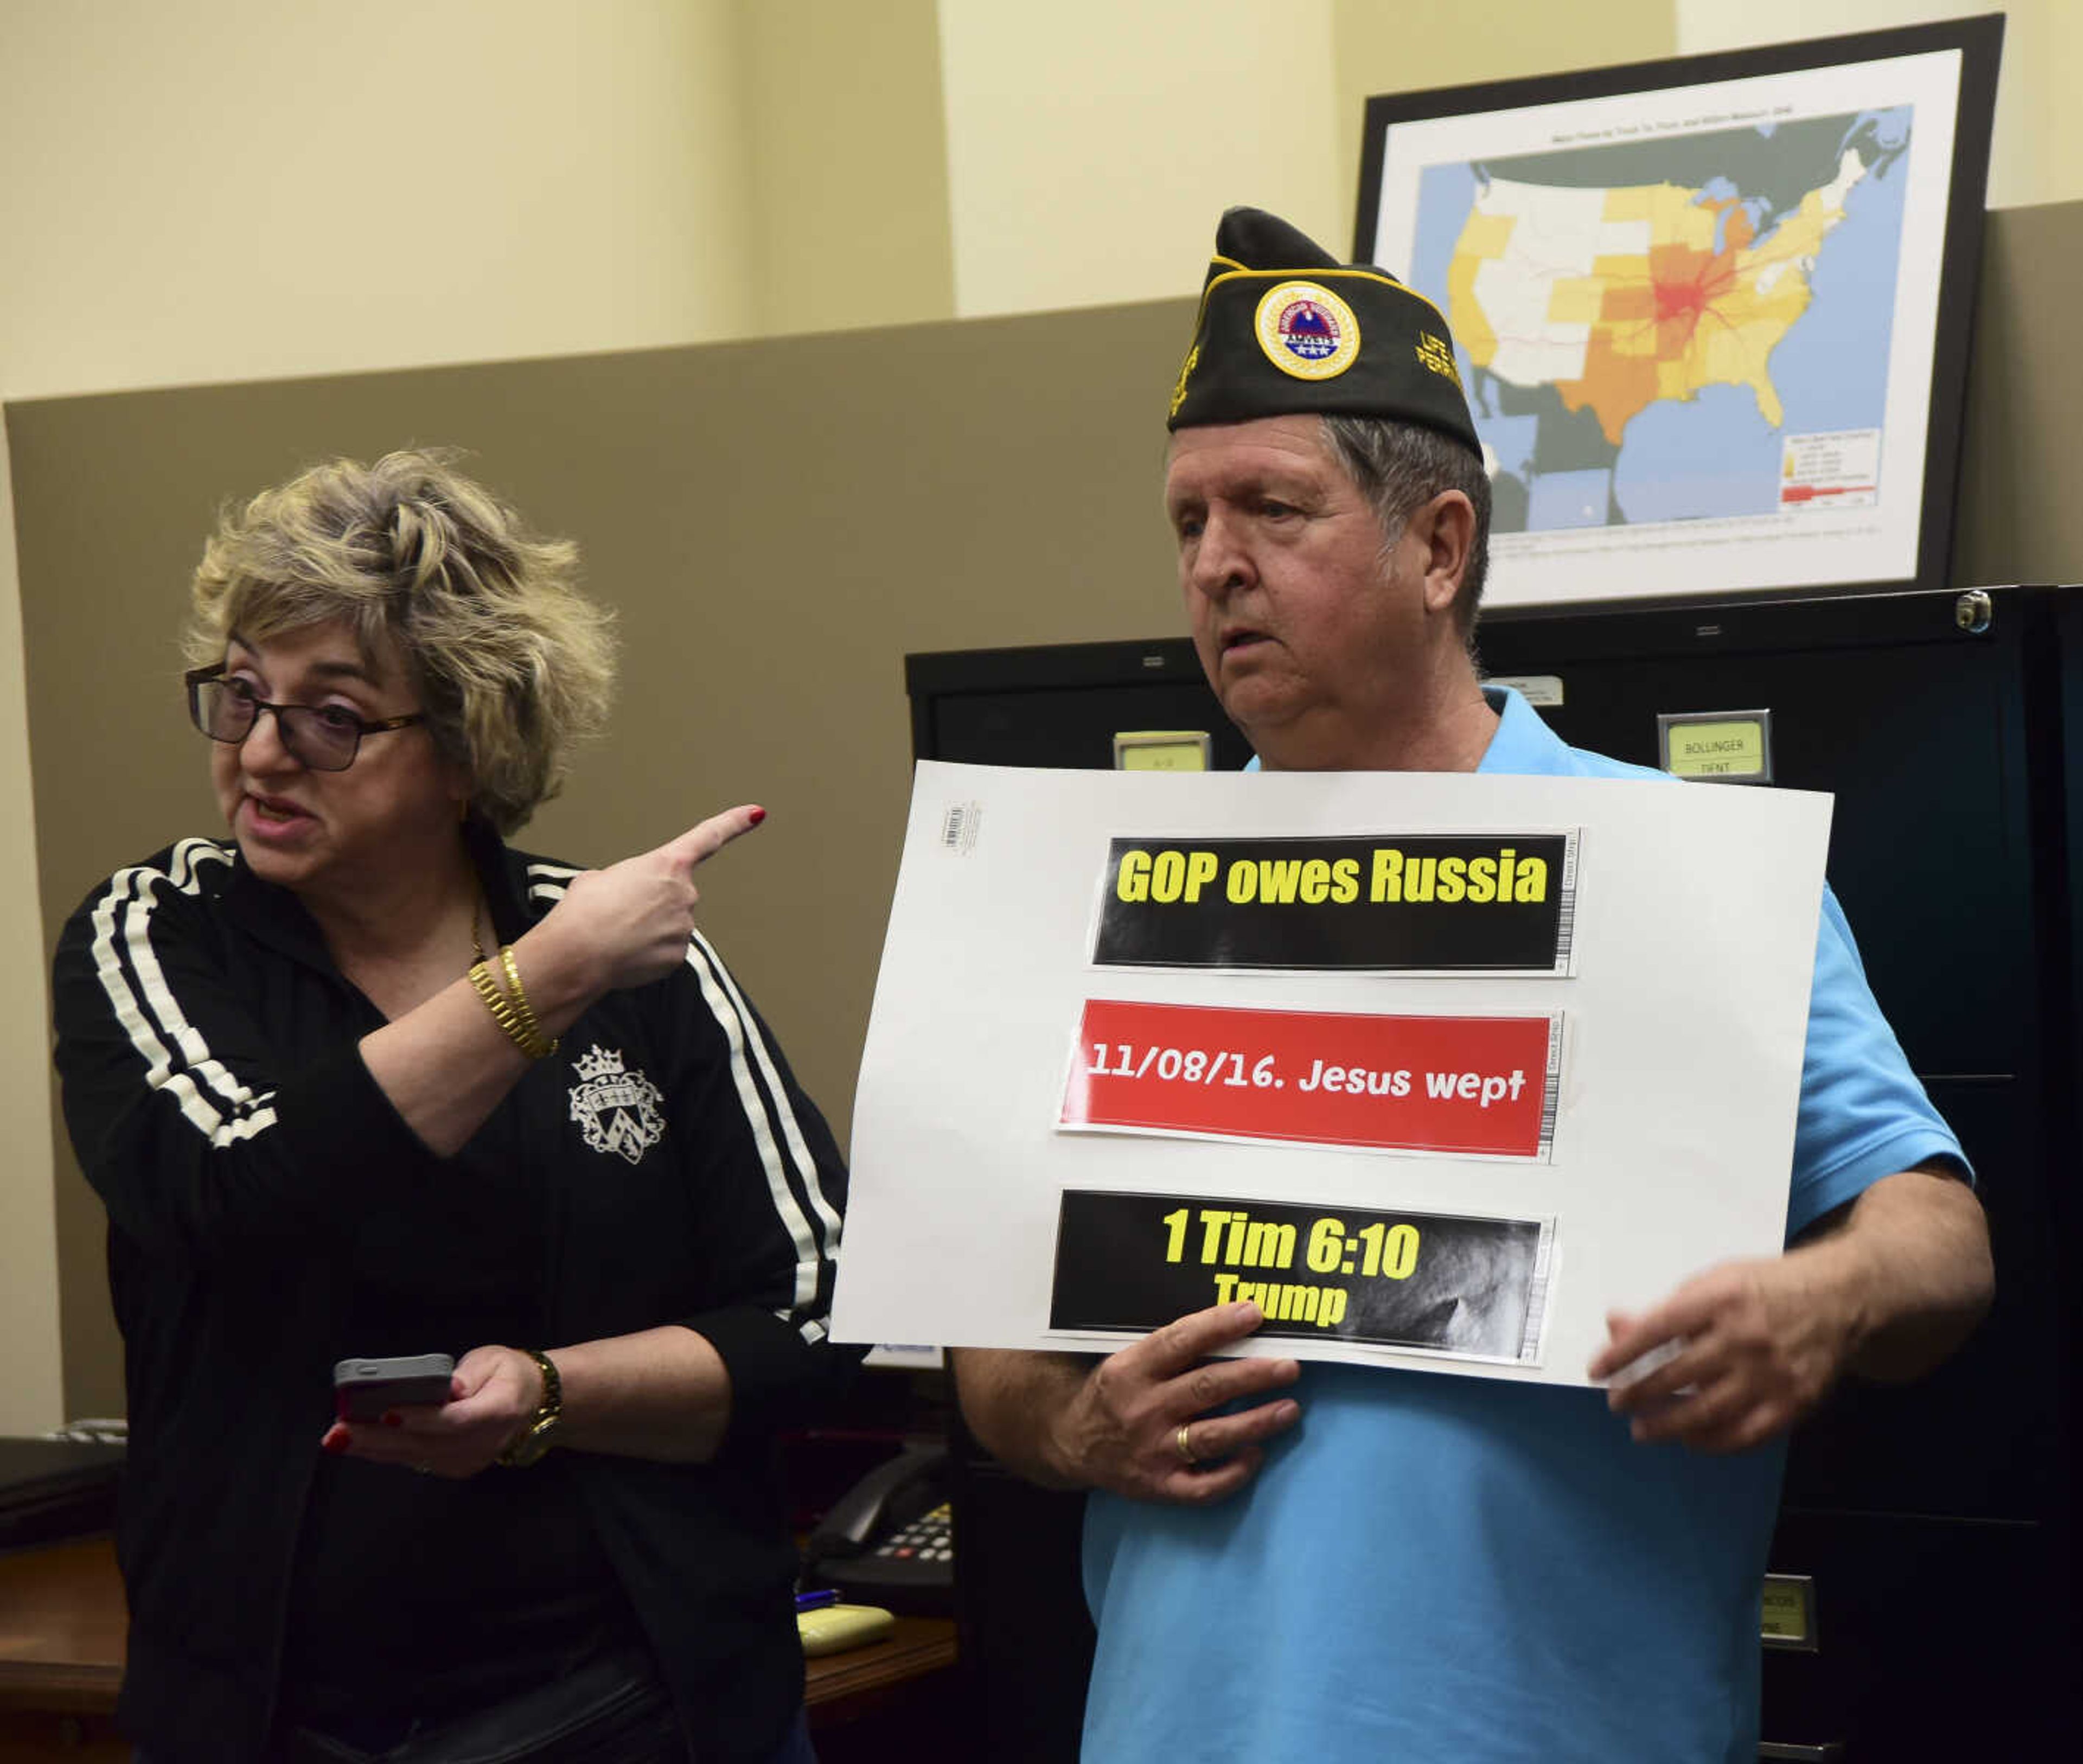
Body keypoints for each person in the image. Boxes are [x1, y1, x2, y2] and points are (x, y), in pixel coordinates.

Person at [953, 209, 1994, 1761]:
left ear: (1438, 547)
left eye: (1274, 511)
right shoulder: (1112, 894)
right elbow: (988, 1338)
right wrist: (1061, 1424)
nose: (1217, 565)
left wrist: (1818, 1296)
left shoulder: (1669, 868)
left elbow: (1940, 1235)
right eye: (1188, 523)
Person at [52, 450, 852, 1764]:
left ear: (470, 746)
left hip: (642, 1698)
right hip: (282, 1720)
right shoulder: (159, 932)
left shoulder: (633, 960)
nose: (262, 750)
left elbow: (818, 1309)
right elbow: (227, 1191)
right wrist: (545, 979)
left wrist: (553, 1394)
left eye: (333, 716)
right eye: (242, 696)